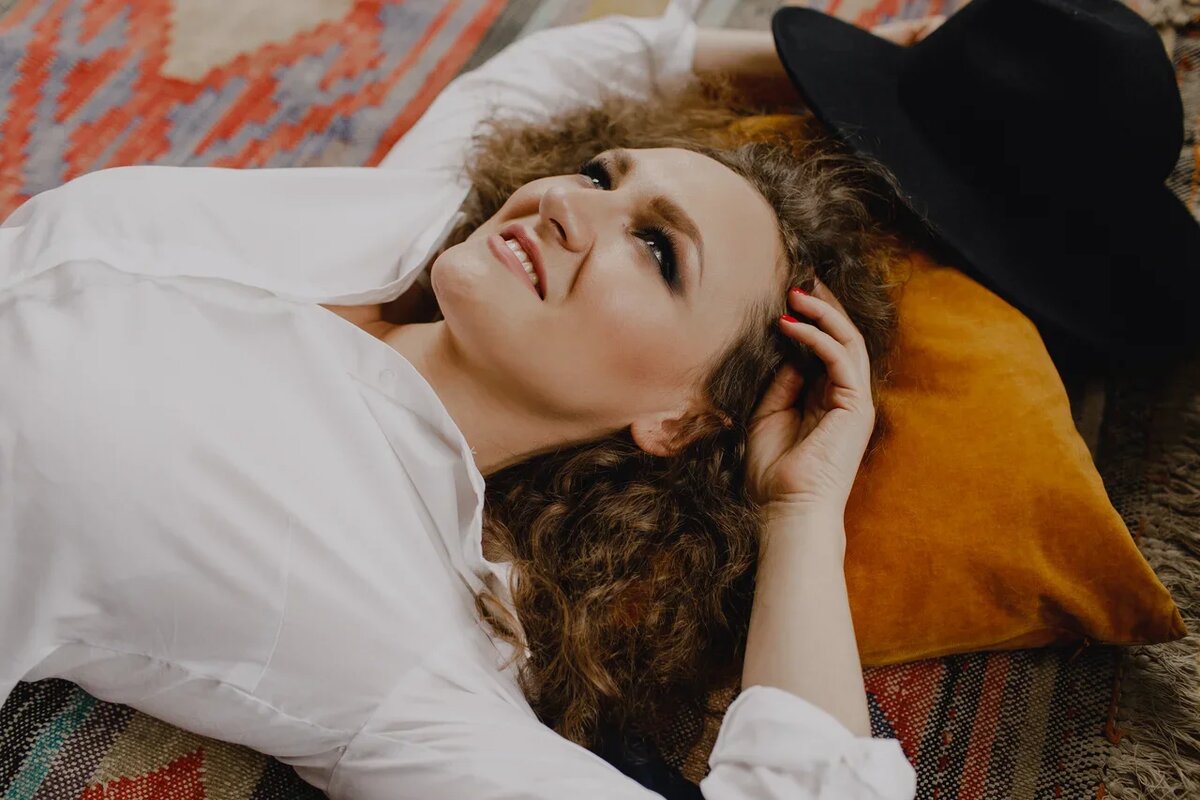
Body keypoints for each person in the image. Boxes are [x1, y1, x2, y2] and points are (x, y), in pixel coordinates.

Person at [0, 3, 941, 798]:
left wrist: (802, 514)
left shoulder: (398, 643)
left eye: (658, 252)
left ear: (682, 419)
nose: (569, 203)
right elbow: (560, 66)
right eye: (601, 173)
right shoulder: (417, 213)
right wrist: (870, 67)